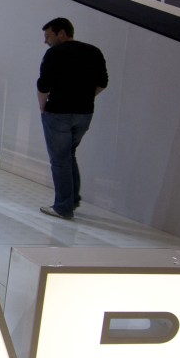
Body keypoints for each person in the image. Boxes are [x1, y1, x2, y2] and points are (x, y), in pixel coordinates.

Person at [36, 17, 108, 220]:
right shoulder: (94, 52)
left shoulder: (54, 54)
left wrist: (43, 108)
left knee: (59, 160)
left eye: (48, 36)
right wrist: (85, 97)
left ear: (61, 33)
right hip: (84, 114)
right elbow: (103, 82)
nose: (46, 41)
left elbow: (43, 85)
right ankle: (72, 199)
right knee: (69, 154)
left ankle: (63, 207)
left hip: (58, 113)